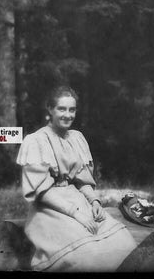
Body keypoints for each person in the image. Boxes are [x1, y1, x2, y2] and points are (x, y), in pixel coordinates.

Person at [16, 86, 137, 271]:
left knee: (124, 242)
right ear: (50, 109)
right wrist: (76, 214)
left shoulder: (77, 138)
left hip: (77, 200)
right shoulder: (36, 140)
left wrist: (94, 201)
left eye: (71, 110)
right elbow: (41, 192)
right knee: (85, 254)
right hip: (50, 208)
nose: (67, 115)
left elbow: (82, 181)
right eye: (61, 109)